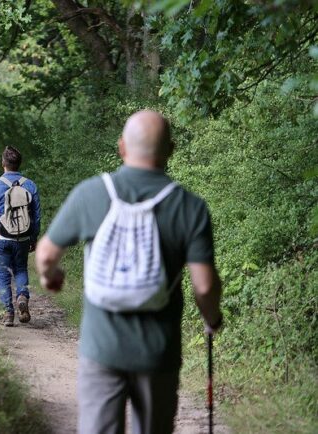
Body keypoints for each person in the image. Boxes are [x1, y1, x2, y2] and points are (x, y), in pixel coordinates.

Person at [35, 110, 223, 434]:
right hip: (158, 353)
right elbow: (204, 287)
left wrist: (50, 276)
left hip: (101, 349)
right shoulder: (189, 207)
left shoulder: (91, 193)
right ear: (171, 150)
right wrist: (212, 319)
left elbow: (46, 254)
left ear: (122, 147)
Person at [0, 146, 41, 326]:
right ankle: (22, 296)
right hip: (22, 237)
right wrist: (33, 238)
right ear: (19, 164)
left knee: (2, 275)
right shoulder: (30, 185)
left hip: (0, 237)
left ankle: (8, 313)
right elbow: (36, 216)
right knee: (21, 269)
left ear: (3, 163)